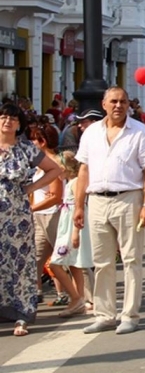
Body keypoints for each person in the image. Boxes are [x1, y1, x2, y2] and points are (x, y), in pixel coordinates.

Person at [74, 86, 145, 335]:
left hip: (128, 199)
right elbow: (83, 171)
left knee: (132, 259)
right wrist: (79, 206)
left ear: (128, 105)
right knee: (102, 262)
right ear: (104, 104)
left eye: (123, 101)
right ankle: (104, 314)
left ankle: (130, 315)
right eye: (113, 101)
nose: (118, 106)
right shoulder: (91, 133)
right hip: (97, 200)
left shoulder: (139, 131)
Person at [0, 103, 62, 336]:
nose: (7, 122)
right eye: (3, 117)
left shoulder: (26, 148)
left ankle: (22, 314)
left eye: (13, 119)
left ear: (19, 125)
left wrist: (31, 187)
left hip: (17, 216)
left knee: (19, 263)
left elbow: (55, 170)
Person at [50, 150, 93, 318]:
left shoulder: (75, 183)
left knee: (56, 263)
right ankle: (79, 298)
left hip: (71, 228)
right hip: (66, 225)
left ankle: (75, 297)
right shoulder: (68, 183)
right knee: (74, 265)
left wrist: (75, 232)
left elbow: (77, 207)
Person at [28, 124, 66, 306]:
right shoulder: (39, 165)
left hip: (52, 215)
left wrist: (32, 208)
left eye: (34, 139)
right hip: (40, 215)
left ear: (42, 142)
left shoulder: (54, 163)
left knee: (61, 258)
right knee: (36, 258)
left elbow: (55, 197)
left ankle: (72, 294)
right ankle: (35, 292)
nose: (31, 142)